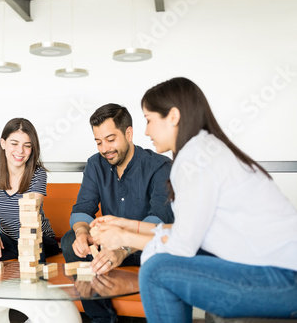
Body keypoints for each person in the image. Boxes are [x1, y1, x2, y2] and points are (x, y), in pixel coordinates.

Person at [90, 77, 297, 322]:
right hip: (276, 273)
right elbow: (191, 230)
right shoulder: (203, 150)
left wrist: (123, 238)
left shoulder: (195, 158)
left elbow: (182, 246)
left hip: (282, 279)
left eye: (149, 120)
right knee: (162, 260)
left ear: (174, 116)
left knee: (157, 270)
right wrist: (127, 225)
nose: (146, 131)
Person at [61, 103, 174, 322]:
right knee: (69, 241)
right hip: (109, 244)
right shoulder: (95, 164)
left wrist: (122, 248)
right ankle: (102, 318)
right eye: (98, 142)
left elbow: (159, 219)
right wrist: (82, 232)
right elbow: (83, 207)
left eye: (110, 140)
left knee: (160, 249)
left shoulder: (160, 166)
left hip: (144, 245)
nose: (104, 149)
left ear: (128, 133)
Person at [0, 118, 60, 263]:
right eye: (14, 143)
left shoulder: (38, 174)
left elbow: (29, 215)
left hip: (39, 239)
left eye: (27, 145)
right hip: (10, 241)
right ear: (3, 143)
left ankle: (35, 284)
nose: (20, 151)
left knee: (25, 236)